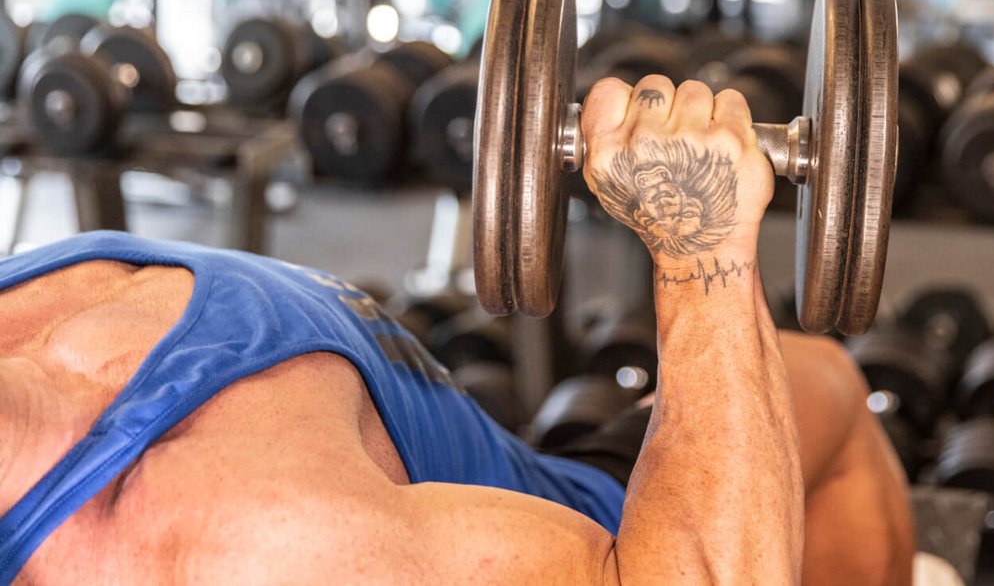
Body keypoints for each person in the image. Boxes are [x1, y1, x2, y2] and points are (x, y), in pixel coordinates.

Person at [0, 77, 914, 584]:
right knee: (825, 388)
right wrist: (698, 241)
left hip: (489, 497)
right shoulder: (238, 543)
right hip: (608, 542)